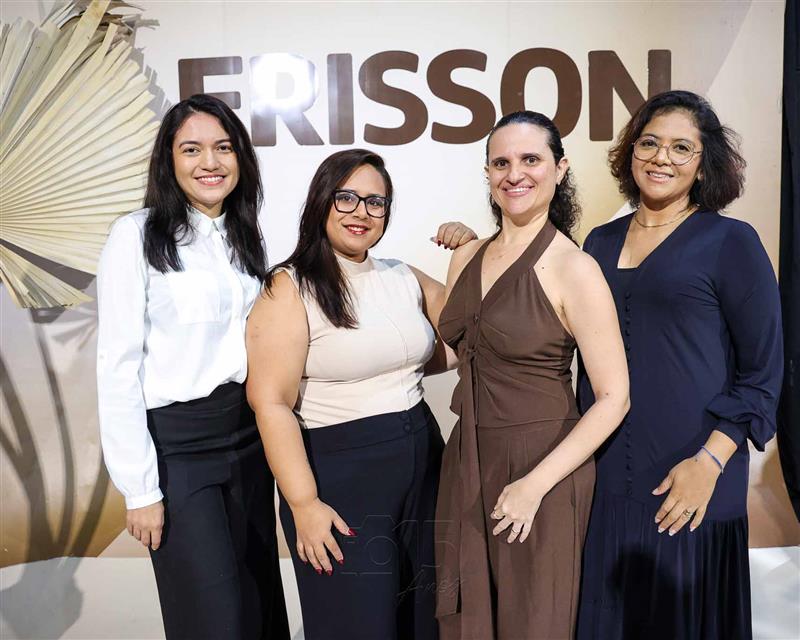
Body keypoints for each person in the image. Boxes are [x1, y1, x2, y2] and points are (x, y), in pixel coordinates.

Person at [575, 90, 783, 639]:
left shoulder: (730, 241)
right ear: (630, 152)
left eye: (681, 147)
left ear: (704, 163)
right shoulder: (598, 242)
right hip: (605, 479)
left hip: (691, 478)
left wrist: (709, 463)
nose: (661, 158)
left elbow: (763, 374)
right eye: (649, 143)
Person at [245, 148, 475, 640]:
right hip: (341, 476)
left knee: (423, 618)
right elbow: (270, 402)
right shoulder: (289, 287)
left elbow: (465, 332)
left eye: (376, 202)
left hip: (423, 463)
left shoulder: (400, 274)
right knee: (355, 623)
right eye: (346, 198)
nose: (361, 212)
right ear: (321, 201)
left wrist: (467, 250)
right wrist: (304, 503)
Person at [96, 94, 289, 640]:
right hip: (178, 450)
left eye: (223, 148)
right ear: (169, 160)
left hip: (249, 441)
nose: (210, 162)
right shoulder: (135, 235)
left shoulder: (243, 235)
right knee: (212, 619)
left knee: (258, 606)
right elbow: (117, 367)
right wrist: (140, 490)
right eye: (192, 149)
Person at [434, 111, 631, 640]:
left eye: (530, 160)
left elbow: (614, 397)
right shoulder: (467, 256)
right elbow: (458, 351)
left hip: (541, 466)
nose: (514, 174)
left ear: (559, 170)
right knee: (467, 621)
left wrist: (534, 486)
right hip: (466, 459)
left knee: (533, 622)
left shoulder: (574, 268)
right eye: (500, 163)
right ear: (487, 173)